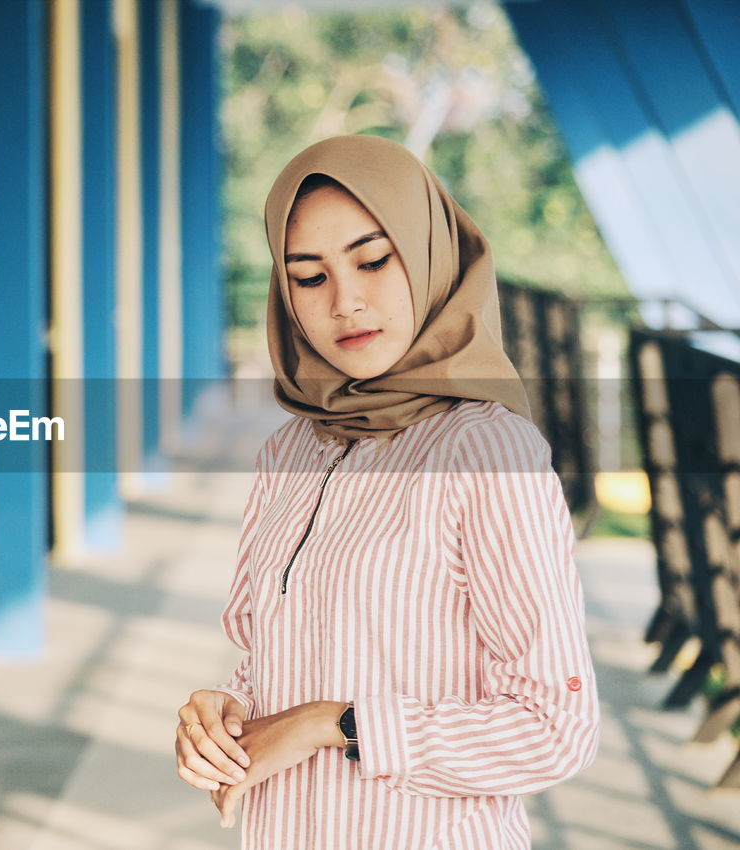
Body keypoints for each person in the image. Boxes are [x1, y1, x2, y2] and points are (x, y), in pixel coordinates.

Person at [173, 134, 600, 849]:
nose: (346, 302)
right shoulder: (291, 451)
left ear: (430, 256)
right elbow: (276, 649)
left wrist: (328, 724)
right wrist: (227, 715)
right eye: (309, 277)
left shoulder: (486, 451)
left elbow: (555, 729)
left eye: (373, 260)